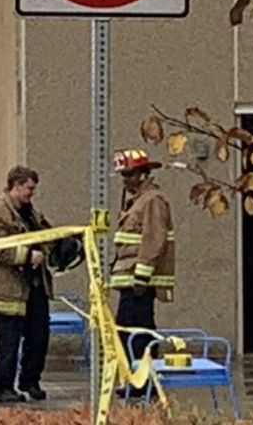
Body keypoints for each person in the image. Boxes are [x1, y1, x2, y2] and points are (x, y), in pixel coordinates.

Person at [0, 166, 68, 403]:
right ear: (15, 186)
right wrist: (26, 256)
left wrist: (62, 244)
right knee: (9, 340)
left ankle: (30, 382)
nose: (31, 194)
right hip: (8, 289)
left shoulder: (31, 213)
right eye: (29, 189)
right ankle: (2, 388)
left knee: (39, 337)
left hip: (34, 286)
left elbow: (46, 234)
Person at [110, 149, 176, 382]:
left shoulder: (152, 200)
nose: (125, 180)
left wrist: (142, 275)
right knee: (127, 331)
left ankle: (142, 381)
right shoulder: (137, 201)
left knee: (138, 333)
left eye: (129, 174)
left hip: (139, 282)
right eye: (123, 175)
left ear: (142, 174)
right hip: (129, 279)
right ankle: (133, 379)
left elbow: (154, 239)